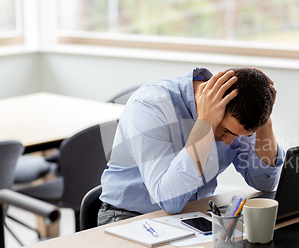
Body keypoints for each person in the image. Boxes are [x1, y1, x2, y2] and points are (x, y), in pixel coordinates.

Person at [98, 67, 284, 225]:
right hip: (129, 217)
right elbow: (170, 201)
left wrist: (265, 122)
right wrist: (206, 123)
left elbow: (265, 182)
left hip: (193, 215)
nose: (229, 140)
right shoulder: (150, 106)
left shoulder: (235, 116)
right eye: (226, 131)